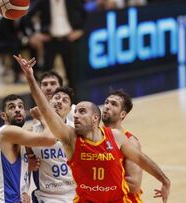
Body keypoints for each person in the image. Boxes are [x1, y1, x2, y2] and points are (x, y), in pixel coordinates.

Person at [14, 55, 170, 203]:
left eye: (82, 112)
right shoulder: (71, 138)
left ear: (95, 118)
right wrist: (29, 76)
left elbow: (141, 159)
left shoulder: (116, 137)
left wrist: (164, 180)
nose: (76, 116)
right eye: (75, 113)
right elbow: (46, 110)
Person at [0, 94, 56, 203]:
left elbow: (11, 173)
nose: (17, 110)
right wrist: (43, 118)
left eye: (20, 106)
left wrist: (23, 190)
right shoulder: (7, 132)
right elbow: (50, 139)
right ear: (3, 116)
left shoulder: (20, 139)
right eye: (12, 107)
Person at [21, 0, 86, 88]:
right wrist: (34, 34)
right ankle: (44, 96)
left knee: (71, 72)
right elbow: (27, 16)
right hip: (50, 40)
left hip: (67, 39)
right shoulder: (43, 2)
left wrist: (80, 30)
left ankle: (72, 96)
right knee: (46, 71)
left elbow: (84, 13)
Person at [30, 87, 76, 203]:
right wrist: (28, 164)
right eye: (57, 98)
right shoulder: (31, 132)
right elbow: (20, 166)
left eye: (65, 100)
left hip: (75, 192)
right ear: (49, 101)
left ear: (70, 109)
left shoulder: (76, 131)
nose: (60, 101)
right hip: (47, 196)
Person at [102, 89, 143, 203]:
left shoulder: (130, 141)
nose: (107, 106)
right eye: (106, 102)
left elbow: (135, 184)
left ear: (122, 114)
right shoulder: (93, 136)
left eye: (114, 104)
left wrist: (98, 180)